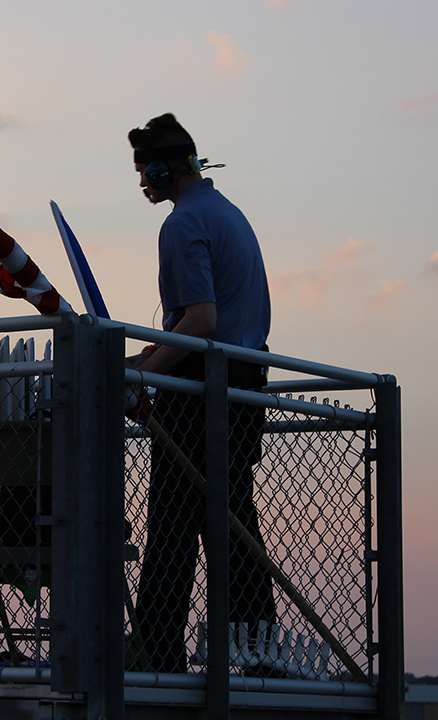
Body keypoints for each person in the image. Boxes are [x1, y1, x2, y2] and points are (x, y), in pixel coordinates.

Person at [125, 113, 276, 673]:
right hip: (243, 385)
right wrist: (148, 358)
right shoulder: (228, 213)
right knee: (230, 517)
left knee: (171, 520)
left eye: (144, 171)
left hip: (203, 389)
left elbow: (202, 320)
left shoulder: (183, 224)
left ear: (165, 167)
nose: (142, 182)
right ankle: (261, 653)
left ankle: (156, 655)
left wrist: (143, 377)